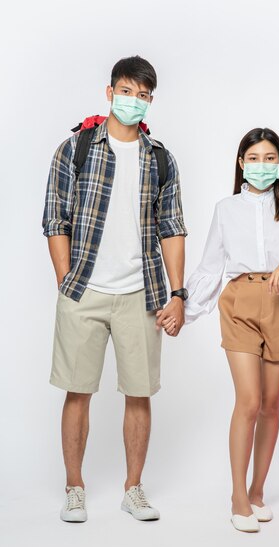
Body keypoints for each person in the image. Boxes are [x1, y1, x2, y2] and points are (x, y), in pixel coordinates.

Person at [164, 127, 279, 532]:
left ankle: (257, 491)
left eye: (270, 158)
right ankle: (237, 496)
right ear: (240, 162)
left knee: (271, 404)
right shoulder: (225, 209)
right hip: (239, 304)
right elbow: (212, 267)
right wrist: (184, 310)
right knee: (247, 401)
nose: (262, 166)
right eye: (254, 158)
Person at [42, 55, 189, 523]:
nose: (134, 101)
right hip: (83, 291)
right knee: (77, 391)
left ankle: (133, 488)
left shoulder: (160, 158)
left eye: (144, 96)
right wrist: (67, 281)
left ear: (151, 101)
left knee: (139, 393)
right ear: (110, 93)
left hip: (141, 295)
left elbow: (173, 227)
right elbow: (55, 217)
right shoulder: (76, 149)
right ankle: (74, 487)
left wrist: (177, 293)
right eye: (128, 92)